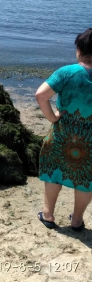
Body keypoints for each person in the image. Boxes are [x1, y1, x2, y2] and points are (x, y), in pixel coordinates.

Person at [36, 28, 92, 231]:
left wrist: (52, 117)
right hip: (90, 139)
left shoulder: (67, 72)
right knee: (87, 180)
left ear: (79, 49)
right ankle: (76, 220)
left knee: (54, 172)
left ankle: (48, 215)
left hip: (62, 135)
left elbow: (41, 95)